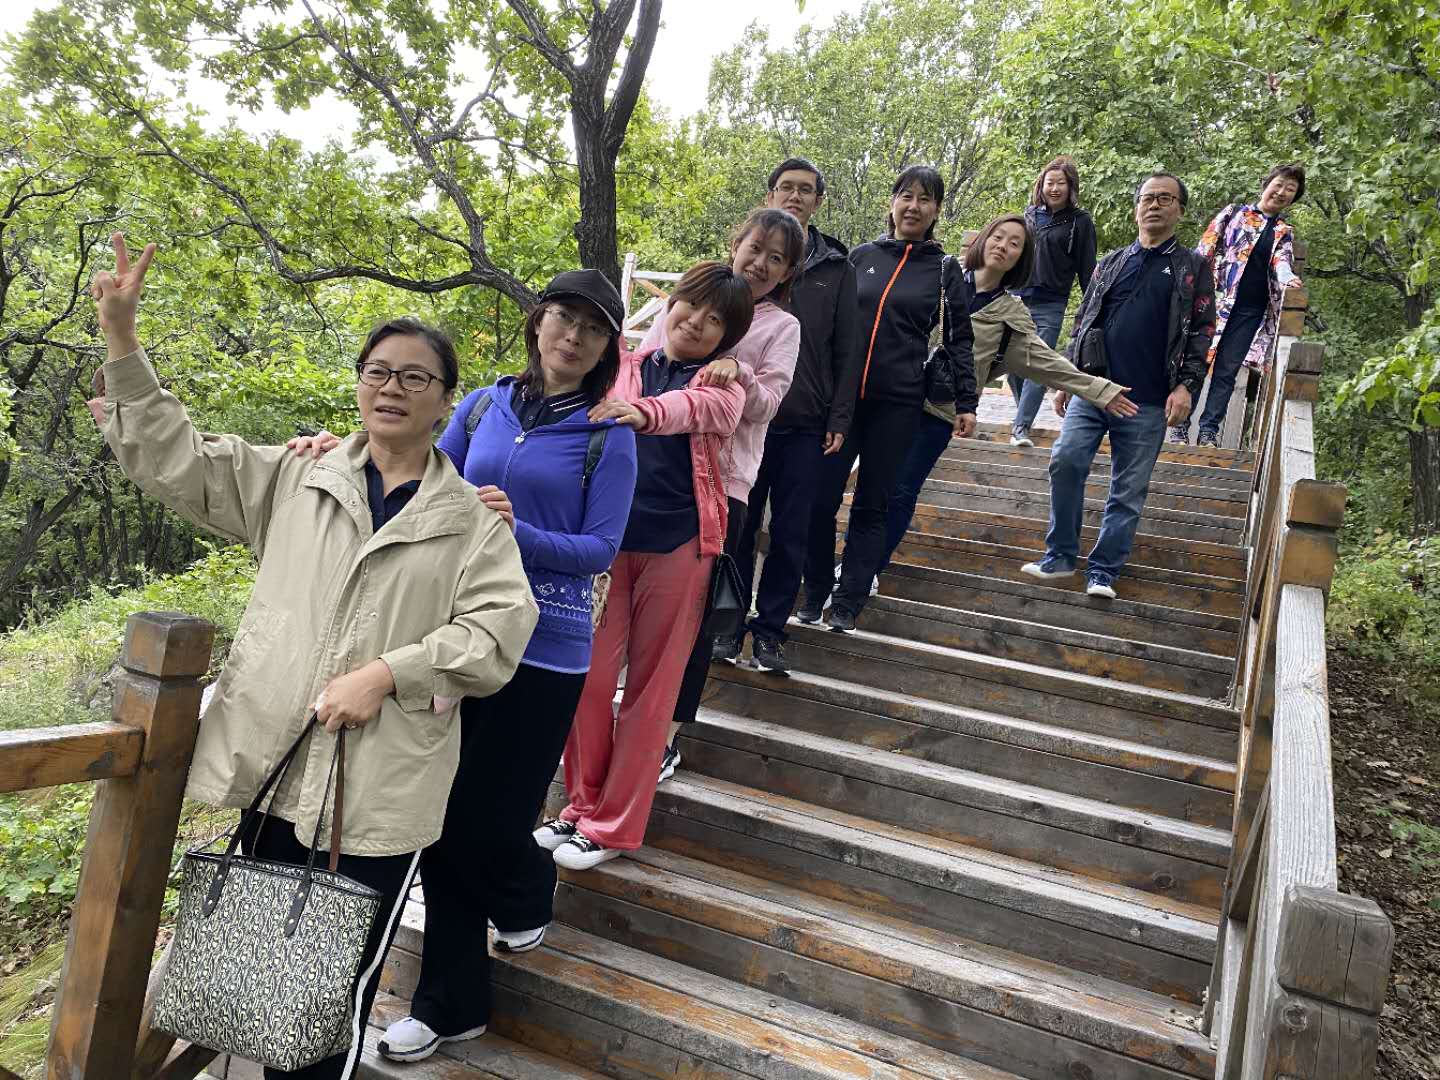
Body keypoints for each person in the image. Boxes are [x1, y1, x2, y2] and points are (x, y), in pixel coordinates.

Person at [88, 234, 538, 1080]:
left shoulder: (473, 522)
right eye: (378, 371)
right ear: (358, 383)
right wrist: (122, 339)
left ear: (446, 402)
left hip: (381, 793)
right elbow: (180, 461)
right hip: (278, 767)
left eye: (415, 377)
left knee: (329, 1002)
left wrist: (389, 673)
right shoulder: (299, 478)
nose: (391, 387)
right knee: (264, 980)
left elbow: (497, 634)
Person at [289, 272, 640, 1063]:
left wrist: (519, 533)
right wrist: (337, 455)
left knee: (487, 822)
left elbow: (601, 549)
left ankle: (528, 885)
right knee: (438, 821)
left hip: (544, 652)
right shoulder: (482, 405)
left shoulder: (606, 435)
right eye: (563, 318)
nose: (573, 337)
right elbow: (417, 478)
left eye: (592, 328)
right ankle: (450, 1005)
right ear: (538, 323)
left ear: (606, 348)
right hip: (456, 639)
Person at [536, 261, 755, 870]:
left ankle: (615, 825)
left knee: (652, 692)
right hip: (605, 546)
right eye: (691, 305)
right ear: (670, 303)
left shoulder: (724, 386)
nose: (697, 322)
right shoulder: (622, 366)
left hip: (681, 546)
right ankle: (581, 806)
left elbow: (696, 411)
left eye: (716, 320)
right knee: (587, 677)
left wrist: (642, 413)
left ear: (729, 336)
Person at [874, 214, 1135, 575]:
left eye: (1015, 244)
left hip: (938, 412)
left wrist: (1101, 390)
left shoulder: (1010, 316)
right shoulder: (939, 275)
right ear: (984, 239)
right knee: (873, 487)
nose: (1003, 246)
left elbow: (1047, 363)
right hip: (892, 397)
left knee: (902, 491)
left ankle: (867, 570)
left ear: (1021, 258)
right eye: (998, 237)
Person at [639, 209, 803, 780]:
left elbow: (768, 405)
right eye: (755, 248)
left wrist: (738, 369)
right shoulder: (692, 297)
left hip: (721, 486)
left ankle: (666, 735)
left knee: (694, 620)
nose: (760, 263)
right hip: (651, 475)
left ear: (787, 273)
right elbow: (644, 365)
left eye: (776, 258)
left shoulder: (782, 327)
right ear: (736, 244)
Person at [799, 165, 976, 633]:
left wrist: (966, 401)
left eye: (924, 199)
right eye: (906, 196)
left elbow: (960, 338)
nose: (913, 206)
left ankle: (848, 601)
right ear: (892, 202)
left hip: (898, 403)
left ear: (936, 210)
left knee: (872, 504)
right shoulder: (861, 256)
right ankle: (814, 589)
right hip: (842, 402)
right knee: (819, 499)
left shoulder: (943, 269)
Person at [1021, 173, 1216, 599]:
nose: (1154, 205)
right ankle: (1060, 556)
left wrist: (1186, 386)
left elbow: (1203, 330)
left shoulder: (1192, 267)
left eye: (1165, 199)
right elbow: (1084, 320)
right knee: (1065, 460)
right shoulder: (1111, 262)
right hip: (1094, 389)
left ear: (1180, 210)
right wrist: (1067, 379)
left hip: (1149, 399)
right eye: (1148, 198)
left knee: (1128, 490)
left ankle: (1103, 572)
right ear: (1136, 209)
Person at [728, 157, 862, 678]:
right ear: (770, 194)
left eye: (806, 189)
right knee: (739, 528)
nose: (795, 196)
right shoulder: (746, 263)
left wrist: (840, 418)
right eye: (786, 187)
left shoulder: (836, 268)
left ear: (818, 201)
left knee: (791, 531)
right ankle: (726, 622)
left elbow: (848, 350)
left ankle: (770, 631)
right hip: (743, 421)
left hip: (805, 421)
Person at [1172, 164, 1305, 447]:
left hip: (1250, 312)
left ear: (1293, 198)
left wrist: (1288, 278)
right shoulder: (1234, 213)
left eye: (1290, 189)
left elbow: (1282, 262)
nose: (1281, 192)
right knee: (1197, 361)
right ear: (1266, 184)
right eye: (1279, 184)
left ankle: (1208, 432)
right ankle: (1179, 428)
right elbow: (1204, 249)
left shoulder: (1283, 231)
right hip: (1215, 302)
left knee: (1227, 370)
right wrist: (1186, 288)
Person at [1009, 156, 1097, 447]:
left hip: (1051, 303)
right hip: (1017, 298)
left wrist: (1092, 307)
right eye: (1050, 183)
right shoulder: (1030, 215)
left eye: (1061, 183)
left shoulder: (1080, 222)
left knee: (1038, 365)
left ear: (1070, 187)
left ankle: (1020, 427)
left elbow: (1087, 267)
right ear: (1041, 186)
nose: (1055, 188)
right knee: (1010, 363)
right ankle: (1024, 412)